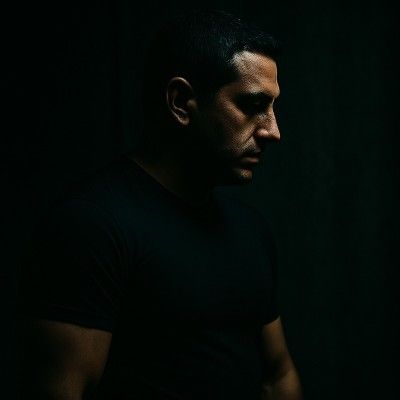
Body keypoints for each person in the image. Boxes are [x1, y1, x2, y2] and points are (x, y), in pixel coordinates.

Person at [18, 9, 303, 400]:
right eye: (253, 105)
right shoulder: (92, 227)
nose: (273, 130)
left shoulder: (249, 230)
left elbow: (278, 375)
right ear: (181, 102)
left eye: (272, 107)